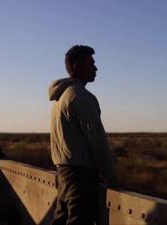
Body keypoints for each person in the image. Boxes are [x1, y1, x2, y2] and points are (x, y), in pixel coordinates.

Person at [48, 45, 118, 225]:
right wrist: (112, 178)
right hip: (80, 178)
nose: (96, 68)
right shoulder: (81, 96)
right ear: (77, 66)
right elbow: (98, 143)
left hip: (63, 173)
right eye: (91, 63)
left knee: (62, 220)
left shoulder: (60, 98)